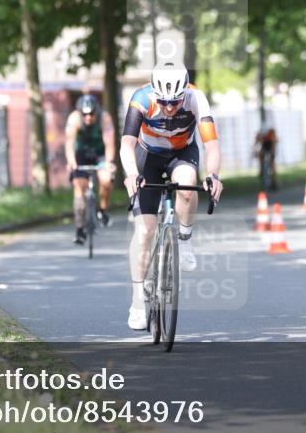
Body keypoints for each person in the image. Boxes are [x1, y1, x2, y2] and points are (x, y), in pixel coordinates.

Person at [120, 62, 224, 330]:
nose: (169, 107)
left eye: (175, 102)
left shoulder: (196, 98)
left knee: (188, 183)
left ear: (184, 94)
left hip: (181, 153)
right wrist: (132, 174)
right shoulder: (141, 99)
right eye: (164, 101)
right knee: (145, 231)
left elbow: (211, 145)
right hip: (147, 157)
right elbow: (126, 145)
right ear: (155, 93)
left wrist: (213, 175)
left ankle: (185, 240)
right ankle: (138, 301)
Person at [65, 94, 116, 245]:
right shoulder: (74, 119)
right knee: (79, 187)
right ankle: (80, 229)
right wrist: (72, 163)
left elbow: (110, 144)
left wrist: (108, 162)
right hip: (80, 154)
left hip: (99, 154)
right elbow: (69, 145)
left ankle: (103, 210)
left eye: (92, 114)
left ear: (97, 112)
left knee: (106, 180)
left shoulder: (104, 118)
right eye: (85, 114)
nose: (88, 117)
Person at [252, 124, 279, 190]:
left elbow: (274, 145)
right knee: (261, 158)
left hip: (271, 147)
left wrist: (272, 155)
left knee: (272, 165)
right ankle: (261, 172)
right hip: (264, 148)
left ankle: (274, 181)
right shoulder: (259, 135)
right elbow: (255, 144)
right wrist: (256, 152)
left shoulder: (272, 133)